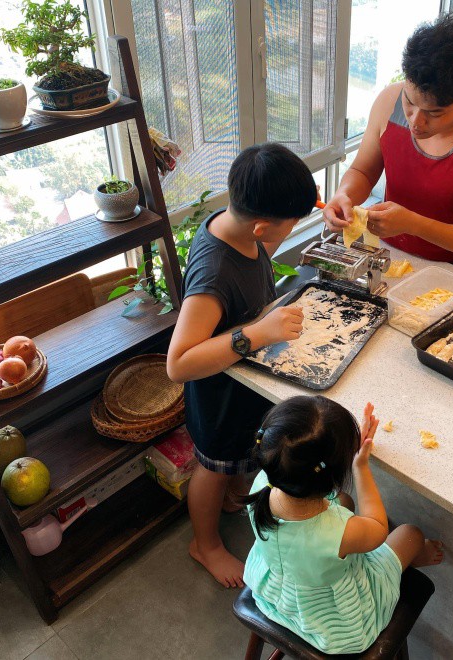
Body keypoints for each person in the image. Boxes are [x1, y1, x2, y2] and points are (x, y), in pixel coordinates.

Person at [166, 143, 316, 588]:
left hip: (242, 385)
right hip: (218, 397)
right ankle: (205, 545)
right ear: (262, 225)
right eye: (290, 224)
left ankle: (235, 495)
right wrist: (259, 333)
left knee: (240, 460)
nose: (287, 232)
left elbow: (265, 243)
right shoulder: (213, 274)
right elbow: (178, 363)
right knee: (213, 469)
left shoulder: (237, 227)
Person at [242, 396, 443, 655]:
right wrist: (360, 466)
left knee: (344, 502)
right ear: (334, 476)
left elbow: (331, 500)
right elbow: (378, 527)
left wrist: (338, 456)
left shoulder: (260, 485)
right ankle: (418, 555)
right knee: (410, 534)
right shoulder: (340, 532)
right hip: (335, 626)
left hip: (274, 596)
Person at [324, 14, 453, 272]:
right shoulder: (389, 101)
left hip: (452, 273)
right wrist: (344, 196)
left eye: (434, 113)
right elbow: (363, 171)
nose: (415, 122)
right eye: (409, 102)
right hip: (386, 257)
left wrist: (413, 224)